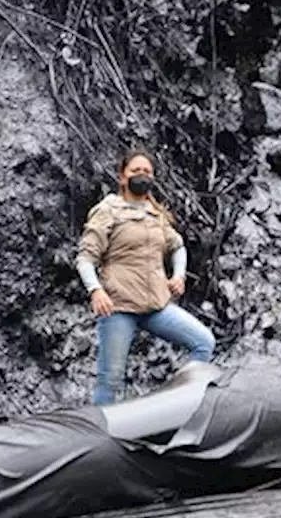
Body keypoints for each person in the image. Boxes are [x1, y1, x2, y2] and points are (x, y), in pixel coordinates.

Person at [73, 149, 216, 405]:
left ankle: (181, 404)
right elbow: (85, 257)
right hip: (119, 307)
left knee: (203, 342)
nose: (142, 176)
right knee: (111, 380)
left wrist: (179, 275)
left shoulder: (155, 213)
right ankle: (100, 437)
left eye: (147, 172)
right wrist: (95, 290)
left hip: (156, 305)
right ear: (122, 177)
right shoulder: (108, 210)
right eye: (136, 171)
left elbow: (178, 246)